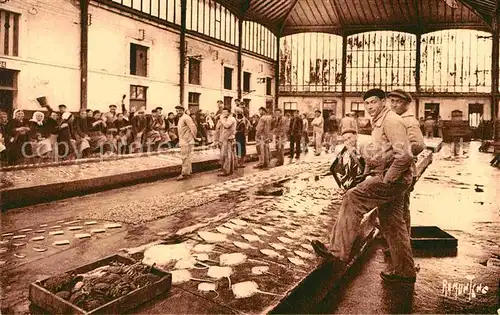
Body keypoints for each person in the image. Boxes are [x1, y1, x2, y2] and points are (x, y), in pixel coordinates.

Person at [312, 88, 416, 284]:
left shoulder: (391, 120)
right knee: (392, 223)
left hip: (393, 179)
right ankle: (405, 271)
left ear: (383, 102)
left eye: (374, 102)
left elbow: (406, 155)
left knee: (352, 198)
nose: (370, 107)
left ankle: (337, 251)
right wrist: (367, 168)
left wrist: (388, 179)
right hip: (394, 178)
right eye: (367, 104)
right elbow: (384, 151)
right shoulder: (379, 122)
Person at [386, 89, 425, 270]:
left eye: (398, 102)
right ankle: (400, 248)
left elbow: (418, 145)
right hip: (404, 170)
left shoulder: (408, 120)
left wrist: (401, 157)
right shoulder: (397, 118)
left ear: (406, 104)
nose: (394, 105)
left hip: (403, 172)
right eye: (391, 101)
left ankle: (402, 256)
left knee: (399, 214)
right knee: (402, 212)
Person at [176, 105, 197, 180]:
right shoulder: (181, 118)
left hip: (187, 140)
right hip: (184, 140)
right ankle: (188, 172)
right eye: (177, 111)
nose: (178, 112)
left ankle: (184, 174)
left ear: (183, 110)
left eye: (179, 111)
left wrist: (194, 137)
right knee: (187, 157)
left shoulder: (186, 118)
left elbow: (193, 127)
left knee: (184, 157)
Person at [214, 107, 237, 176]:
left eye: (225, 112)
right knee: (228, 154)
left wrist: (221, 119)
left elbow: (227, 126)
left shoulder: (231, 119)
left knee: (227, 155)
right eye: (223, 112)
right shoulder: (227, 119)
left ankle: (226, 171)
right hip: (226, 138)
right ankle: (230, 169)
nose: (223, 114)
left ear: (229, 112)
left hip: (228, 138)